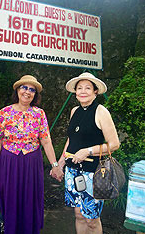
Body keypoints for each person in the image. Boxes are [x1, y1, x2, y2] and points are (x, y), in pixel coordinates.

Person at [0, 75, 63, 234]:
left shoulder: (39, 114)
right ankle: (9, 229)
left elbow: (46, 141)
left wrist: (55, 165)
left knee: (30, 197)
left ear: (35, 95)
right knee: (10, 196)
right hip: (9, 160)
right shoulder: (4, 113)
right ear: (17, 90)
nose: (27, 92)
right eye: (24, 87)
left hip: (31, 161)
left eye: (32, 90)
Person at [58, 72, 120, 234]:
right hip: (73, 172)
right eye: (79, 88)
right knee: (78, 215)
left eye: (87, 88)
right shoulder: (74, 111)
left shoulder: (101, 111)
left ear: (95, 92)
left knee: (92, 219)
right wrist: (60, 163)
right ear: (75, 92)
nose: (83, 91)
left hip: (93, 174)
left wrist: (88, 151)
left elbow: (114, 144)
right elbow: (71, 140)